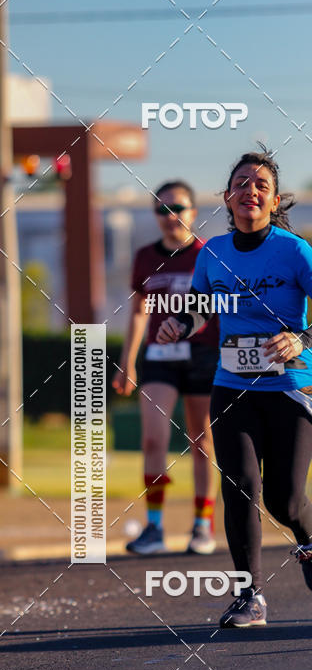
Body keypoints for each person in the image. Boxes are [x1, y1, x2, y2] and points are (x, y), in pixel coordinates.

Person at [157, 147, 312, 627]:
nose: (251, 191)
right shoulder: (212, 253)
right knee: (240, 488)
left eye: (261, 185)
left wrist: (301, 339)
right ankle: (250, 597)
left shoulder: (294, 250)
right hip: (233, 386)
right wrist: (179, 325)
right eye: (241, 183)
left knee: (284, 499)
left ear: (275, 200)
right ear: (227, 197)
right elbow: (200, 309)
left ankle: (310, 535)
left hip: (292, 388)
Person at [112, 181, 219, 555]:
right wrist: (127, 361)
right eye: (162, 209)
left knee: (201, 441)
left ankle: (202, 525)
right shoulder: (145, 257)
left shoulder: (208, 254)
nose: (171, 216)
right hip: (159, 358)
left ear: (193, 212)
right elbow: (139, 312)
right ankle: (155, 527)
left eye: (178, 208)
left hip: (203, 355)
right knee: (153, 439)